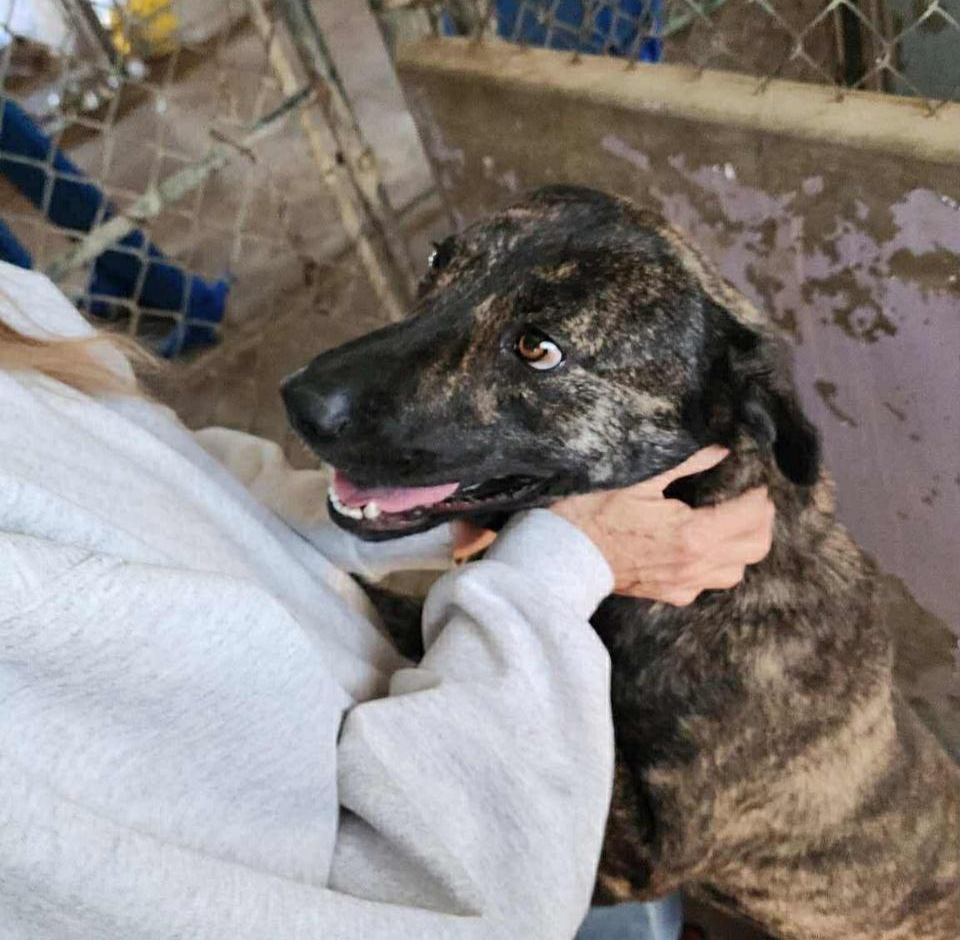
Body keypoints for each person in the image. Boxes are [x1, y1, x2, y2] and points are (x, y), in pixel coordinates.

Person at [0, 260, 774, 940]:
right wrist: (559, 566)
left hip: (444, 737)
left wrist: (452, 519)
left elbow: (159, 481)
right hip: (480, 843)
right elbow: (465, 907)